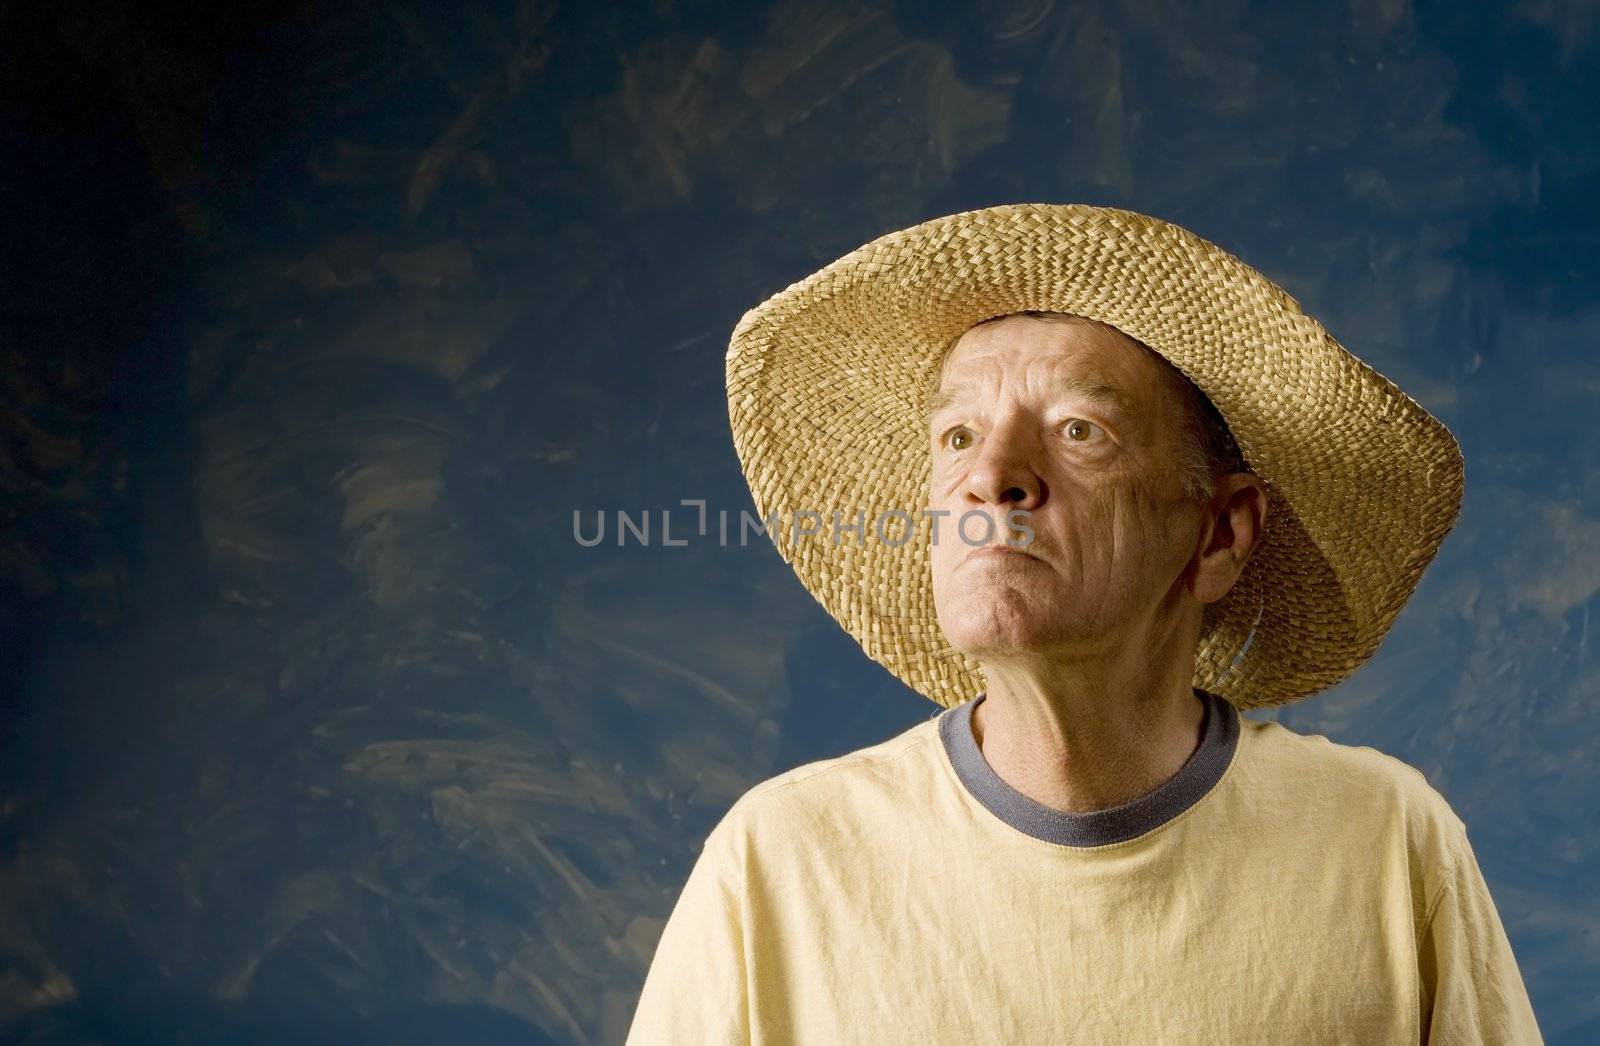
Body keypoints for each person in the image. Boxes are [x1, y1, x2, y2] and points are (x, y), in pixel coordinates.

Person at [626, 204, 1543, 1044]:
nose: (993, 475)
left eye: (1077, 431)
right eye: (958, 437)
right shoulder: (780, 860)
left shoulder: (1387, 840)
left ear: (1220, 533)